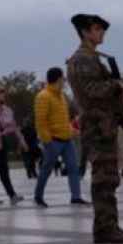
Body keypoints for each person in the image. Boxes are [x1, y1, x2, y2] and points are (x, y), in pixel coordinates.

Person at [65, 14, 123, 243]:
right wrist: (116, 85)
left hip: (103, 123)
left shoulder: (92, 57)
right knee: (104, 178)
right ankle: (105, 228)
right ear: (85, 32)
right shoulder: (82, 59)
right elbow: (92, 90)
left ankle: (108, 225)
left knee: (108, 177)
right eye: (96, 29)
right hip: (97, 124)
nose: (101, 33)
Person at [32, 67, 86, 207]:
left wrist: (72, 131)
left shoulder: (62, 96)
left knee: (73, 167)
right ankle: (38, 196)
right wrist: (47, 142)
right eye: (63, 78)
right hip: (52, 141)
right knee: (47, 169)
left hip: (67, 140)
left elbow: (63, 120)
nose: (65, 81)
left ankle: (76, 196)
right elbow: (40, 122)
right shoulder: (43, 96)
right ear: (58, 79)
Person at [0, 86, 25, 204]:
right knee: (0, 169)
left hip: (3, 140)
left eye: (3, 93)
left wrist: (21, 141)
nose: (3, 96)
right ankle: (11, 195)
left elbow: (14, 127)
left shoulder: (7, 110)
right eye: (1, 93)